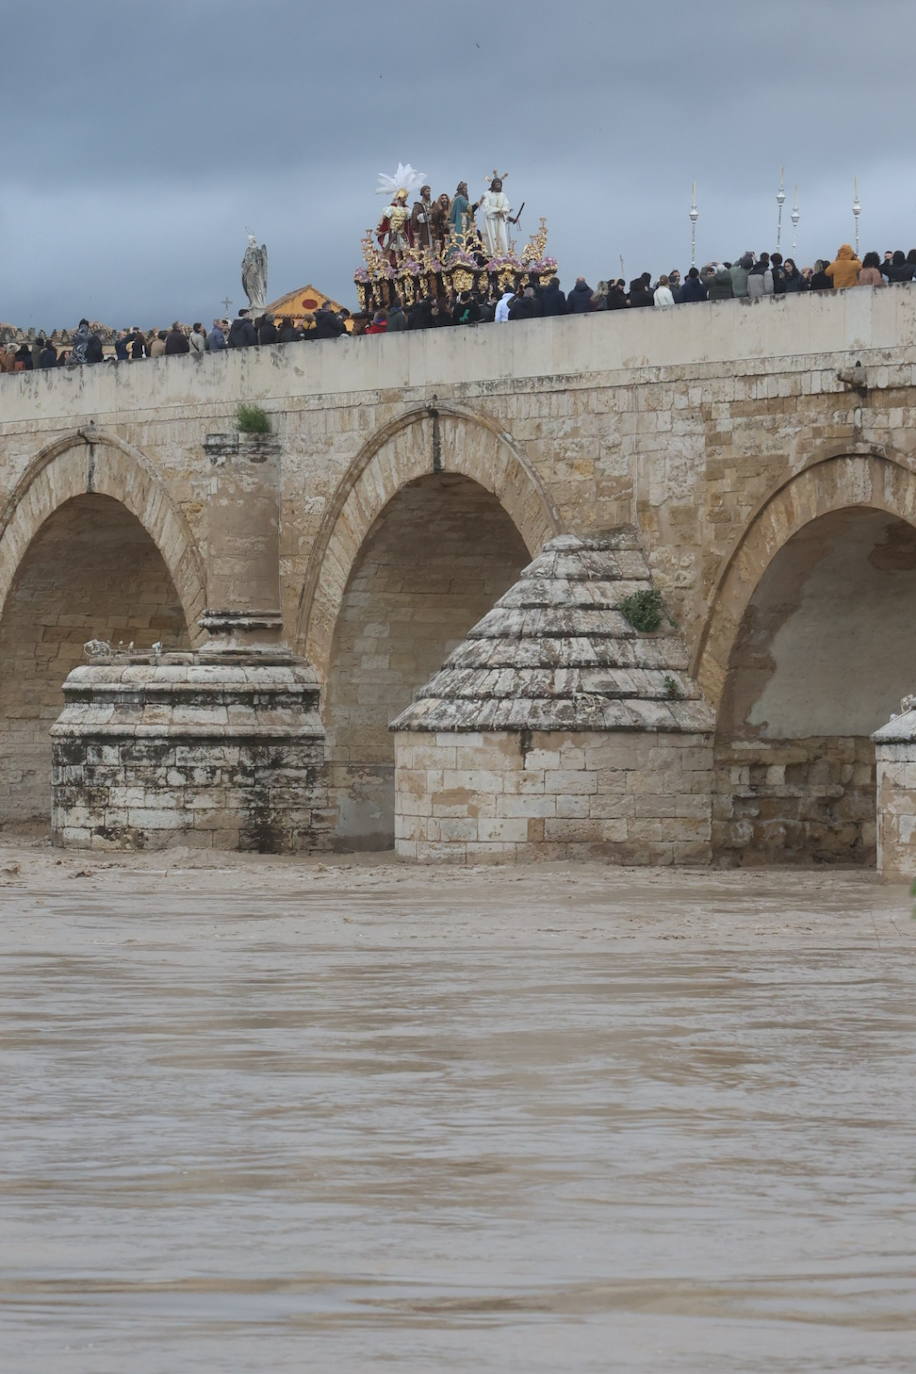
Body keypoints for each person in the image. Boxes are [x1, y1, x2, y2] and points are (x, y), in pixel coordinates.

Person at [477, 176, 512, 257]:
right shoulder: (487, 194)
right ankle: (491, 255)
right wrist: (497, 210)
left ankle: (503, 255)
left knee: (502, 237)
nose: (498, 185)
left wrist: (503, 211)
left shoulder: (503, 195)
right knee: (491, 237)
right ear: (493, 184)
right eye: (496, 184)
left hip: (500, 220)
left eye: (499, 184)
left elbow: (506, 205)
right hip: (491, 220)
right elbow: (485, 207)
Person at [410, 185, 434, 252]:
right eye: (427, 191)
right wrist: (427, 213)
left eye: (429, 191)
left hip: (431, 231)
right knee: (423, 249)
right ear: (422, 193)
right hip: (422, 230)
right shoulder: (418, 205)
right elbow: (415, 219)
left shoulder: (430, 205)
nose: (429, 193)